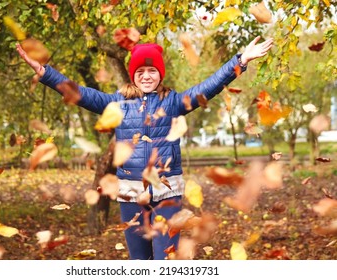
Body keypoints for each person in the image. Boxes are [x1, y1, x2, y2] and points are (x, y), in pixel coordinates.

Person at [16, 36, 273, 260]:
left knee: (166, 259)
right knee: (140, 261)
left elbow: (209, 86)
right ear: (133, 75)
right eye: (140, 71)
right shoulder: (116, 103)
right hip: (130, 194)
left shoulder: (173, 102)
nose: (146, 76)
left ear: (160, 74)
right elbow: (80, 93)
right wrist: (45, 72)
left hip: (166, 192)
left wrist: (240, 60)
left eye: (151, 71)